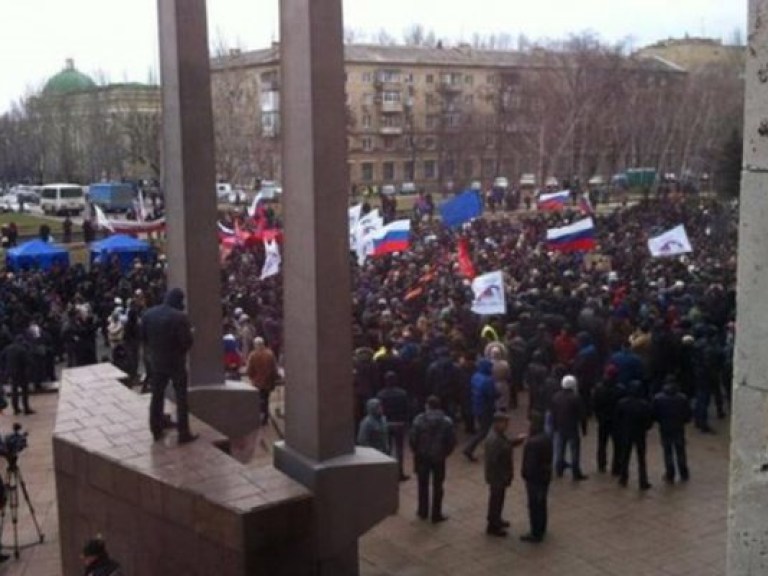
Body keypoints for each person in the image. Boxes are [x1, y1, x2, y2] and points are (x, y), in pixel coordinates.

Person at [141, 288, 197, 444]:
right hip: (176, 362)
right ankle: (183, 432)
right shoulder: (180, 317)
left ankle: (156, 428)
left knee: (157, 395)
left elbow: (144, 338)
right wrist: (190, 334)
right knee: (181, 397)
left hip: (157, 362)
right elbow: (186, 342)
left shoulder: (148, 314)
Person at [409, 395, 456, 524]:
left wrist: (416, 451)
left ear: (427, 405)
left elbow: (413, 438)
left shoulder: (418, 420)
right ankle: (436, 514)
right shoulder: (447, 421)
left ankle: (423, 511)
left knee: (422, 485)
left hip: (422, 457)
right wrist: (445, 453)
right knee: (438, 485)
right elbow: (451, 441)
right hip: (439, 458)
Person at [483, 412, 525, 537]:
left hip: (499, 475)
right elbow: (495, 459)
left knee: (499, 499)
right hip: (497, 476)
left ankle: (497, 519)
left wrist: (517, 441)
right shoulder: (494, 439)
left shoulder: (498, 435)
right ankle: (493, 525)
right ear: (497, 423)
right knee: (496, 500)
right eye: (505, 423)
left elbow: (506, 444)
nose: (507, 426)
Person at [521, 412, 553, 543]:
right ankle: (542, 527)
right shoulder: (546, 437)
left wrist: (525, 474)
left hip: (535, 479)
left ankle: (535, 532)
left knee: (534, 505)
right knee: (542, 503)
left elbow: (530, 465)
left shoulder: (532, 443)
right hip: (544, 476)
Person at [653, 376, 692, 483]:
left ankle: (670, 473)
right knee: (680, 450)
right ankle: (683, 472)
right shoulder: (682, 398)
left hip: (665, 428)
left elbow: (655, 415)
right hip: (678, 427)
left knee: (667, 451)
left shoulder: (658, 398)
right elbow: (688, 415)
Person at [616, 381, 654, 490]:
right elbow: (649, 421)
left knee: (625, 456)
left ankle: (623, 478)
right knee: (641, 458)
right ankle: (643, 481)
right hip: (640, 434)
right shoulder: (644, 405)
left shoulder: (622, 403)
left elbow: (617, 419)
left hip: (626, 432)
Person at [551, 375, 587, 480]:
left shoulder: (556, 397)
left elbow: (553, 413)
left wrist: (554, 427)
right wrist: (584, 429)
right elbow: (582, 415)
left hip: (559, 427)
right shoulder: (576, 398)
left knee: (560, 449)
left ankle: (559, 469)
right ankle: (576, 472)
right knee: (574, 450)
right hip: (572, 427)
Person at [377, 371, 410, 481]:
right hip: (399, 423)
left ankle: (387, 472)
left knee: (387, 448)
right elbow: (407, 409)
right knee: (399, 450)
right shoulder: (402, 393)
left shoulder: (380, 394)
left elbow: (379, 411)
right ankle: (400, 472)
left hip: (386, 423)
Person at [592, 364, 624, 475]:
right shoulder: (620, 389)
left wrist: (598, 416)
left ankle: (601, 465)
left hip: (603, 419)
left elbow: (594, 404)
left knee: (602, 443)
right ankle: (616, 467)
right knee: (618, 445)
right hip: (616, 421)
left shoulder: (598, 388)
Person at [463, 359, 497, 462]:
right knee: (484, 430)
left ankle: (490, 447)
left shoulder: (475, 376)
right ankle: (469, 448)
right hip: (487, 408)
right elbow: (492, 394)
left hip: (477, 406)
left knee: (485, 428)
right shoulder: (488, 380)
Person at [246, 337, 279, 426]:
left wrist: (252, 377)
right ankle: (265, 418)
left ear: (255, 345)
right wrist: (273, 379)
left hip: (257, 382)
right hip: (268, 382)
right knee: (266, 399)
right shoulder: (270, 354)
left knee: (258, 400)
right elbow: (274, 369)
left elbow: (249, 370)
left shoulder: (253, 355)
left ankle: (260, 417)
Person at [3, 335, 34, 415]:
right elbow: (28, 362)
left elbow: (2, 358)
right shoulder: (22, 350)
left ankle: (16, 409)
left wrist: (5, 370)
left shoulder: (7, 348)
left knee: (14, 391)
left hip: (11, 372)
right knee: (24, 391)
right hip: (21, 373)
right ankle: (26, 408)